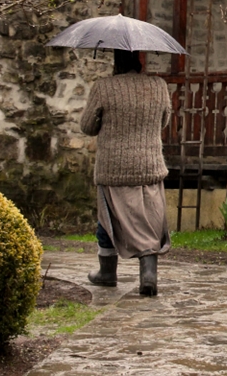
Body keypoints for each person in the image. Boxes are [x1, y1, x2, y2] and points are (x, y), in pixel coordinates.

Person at [80, 49, 172, 296]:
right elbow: (164, 121)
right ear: (139, 61)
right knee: (151, 219)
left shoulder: (104, 87)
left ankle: (107, 273)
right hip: (149, 166)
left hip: (114, 168)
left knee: (108, 219)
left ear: (116, 62)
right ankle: (149, 273)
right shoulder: (159, 85)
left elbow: (87, 127)